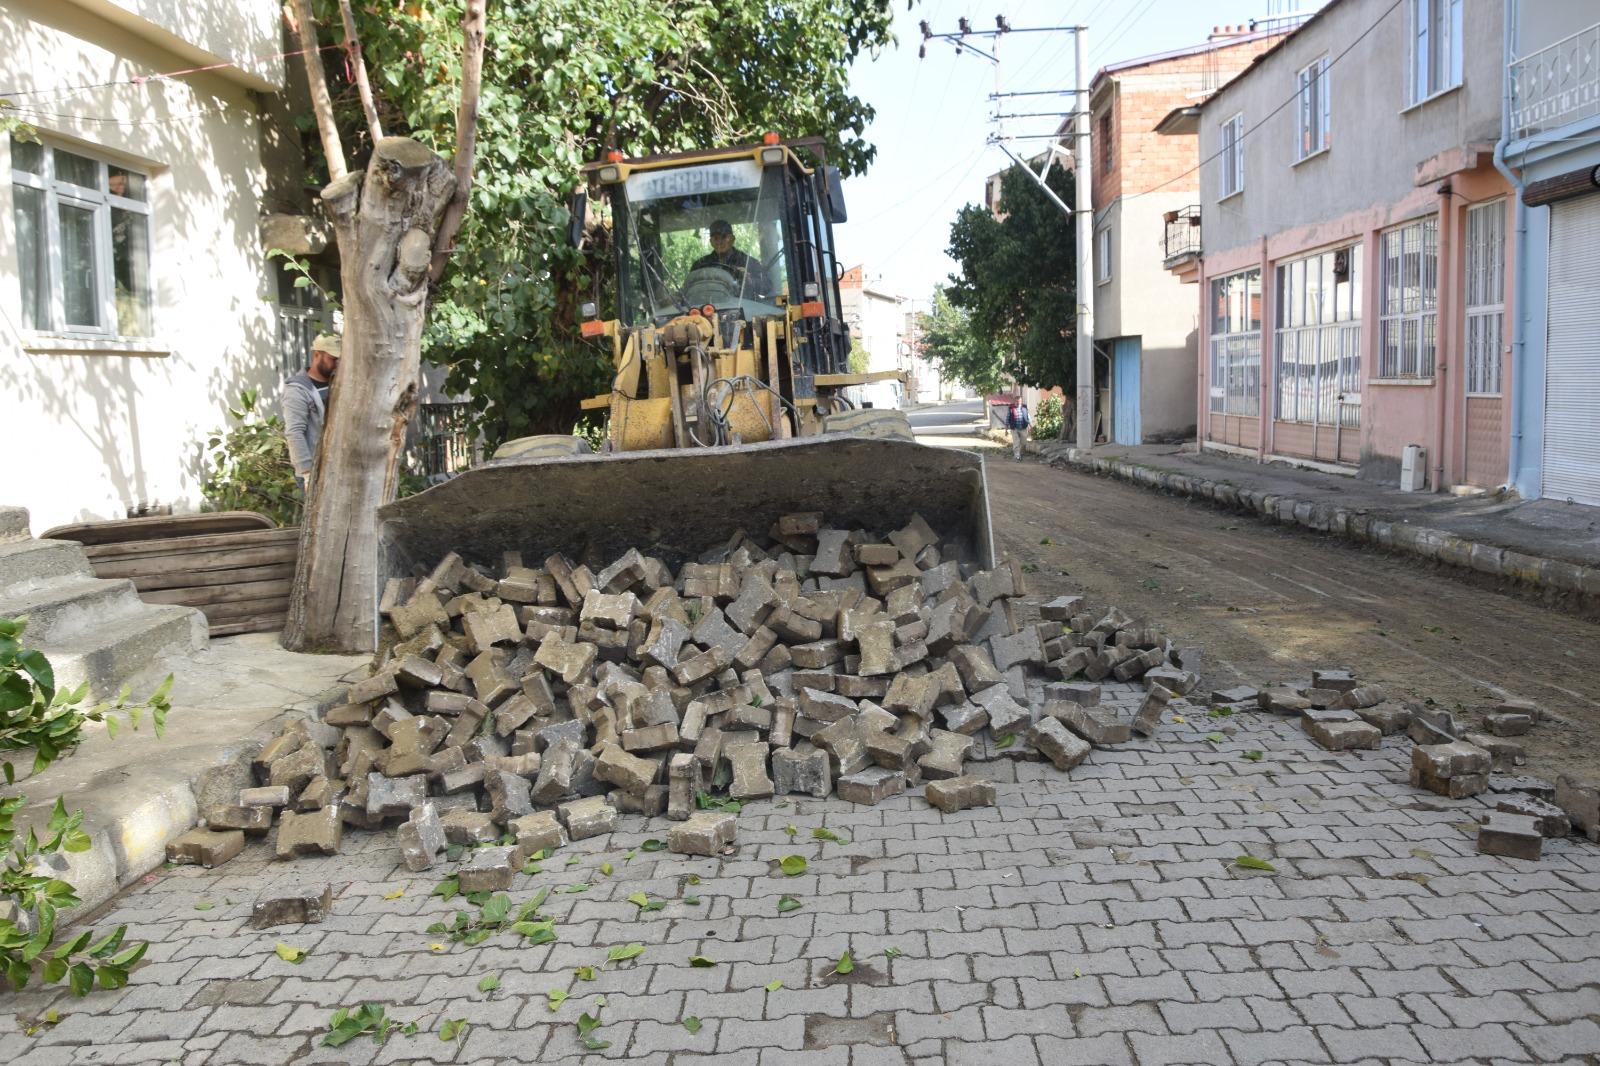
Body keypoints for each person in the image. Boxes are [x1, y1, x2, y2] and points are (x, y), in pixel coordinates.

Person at [283, 332, 339, 494]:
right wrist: (307, 473)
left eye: (339, 359)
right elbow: (294, 432)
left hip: (337, 466)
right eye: (332, 359)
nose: (336, 364)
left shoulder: (339, 382)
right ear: (317, 355)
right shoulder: (297, 390)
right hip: (315, 472)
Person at [691, 219, 771, 296]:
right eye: (716, 238)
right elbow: (688, 288)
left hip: (742, 308)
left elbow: (767, 286)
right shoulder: (700, 265)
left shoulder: (749, 263)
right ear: (711, 242)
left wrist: (749, 280)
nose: (720, 242)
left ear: (732, 239)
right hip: (710, 307)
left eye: (724, 237)